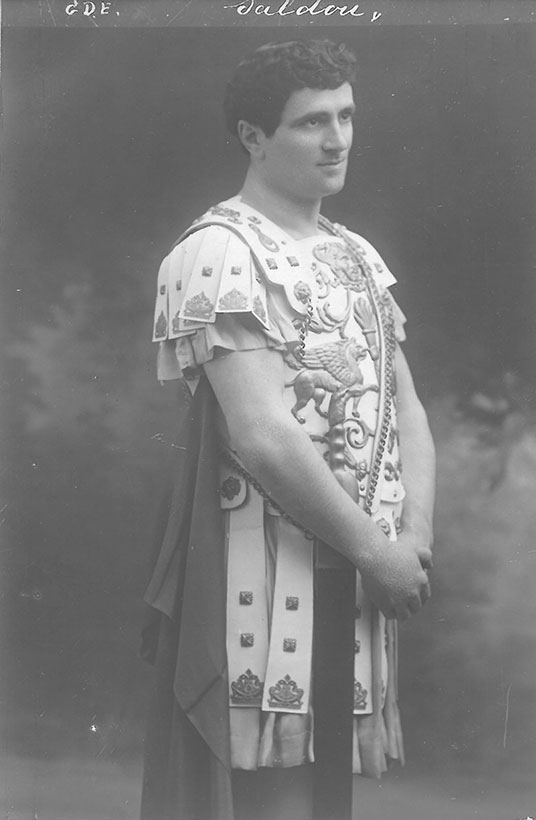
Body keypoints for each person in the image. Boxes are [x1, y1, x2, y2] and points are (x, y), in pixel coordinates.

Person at [140, 39, 435, 820]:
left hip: (363, 561)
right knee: (277, 790)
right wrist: (380, 551)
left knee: (327, 792)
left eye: (345, 116)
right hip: (265, 570)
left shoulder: (357, 254)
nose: (337, 139)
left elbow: (406, 407)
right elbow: (264, 436)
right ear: (253, 136)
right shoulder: (218, 251)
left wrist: (413, 538)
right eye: (310, 122)